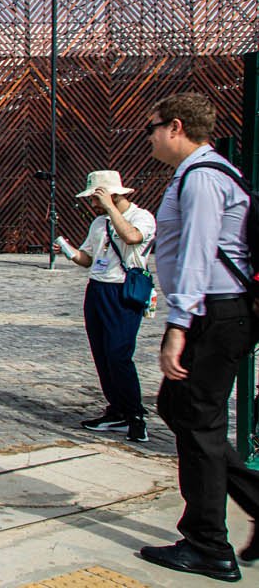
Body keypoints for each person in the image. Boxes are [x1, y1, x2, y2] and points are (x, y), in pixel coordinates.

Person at [139, 93, 259, 582]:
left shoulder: (203, 177)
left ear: (176, 126)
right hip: (217, 312)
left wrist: (178, 325)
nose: (148, 137)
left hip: (214, 313)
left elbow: (197, 253)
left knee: (200, 424)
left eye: (151, 127)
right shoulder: (199, 173)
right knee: (181, 410)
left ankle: (208, 545)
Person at [53, 170, 155, 442]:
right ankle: (116, 409)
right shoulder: (99, 223)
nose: (93, 204)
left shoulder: (141, 217)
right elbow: (88, 258)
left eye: (96, 197)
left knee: (119, 353)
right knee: (102, 353)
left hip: (124, 289)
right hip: (97, 287)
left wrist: (111, 208)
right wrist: (69, 251)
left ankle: (135, 414)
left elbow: (132, 237)